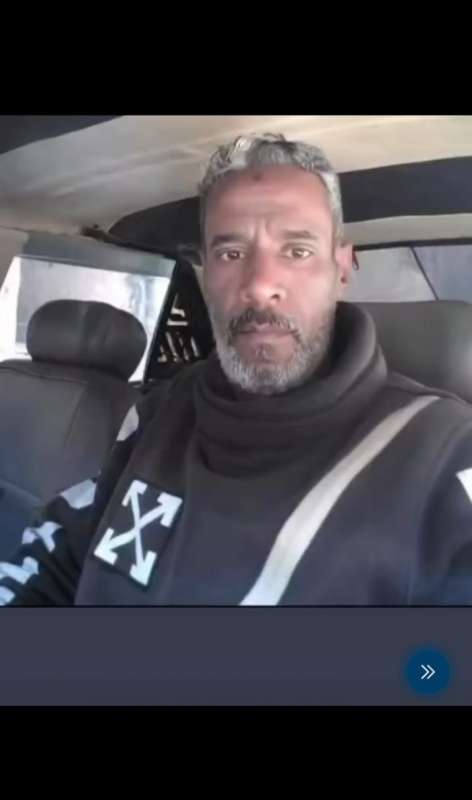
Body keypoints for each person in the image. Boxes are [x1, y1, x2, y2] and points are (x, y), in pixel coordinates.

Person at [2, 131, 472, 606]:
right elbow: (61, 556)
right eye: (231, 253)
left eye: (297, 250)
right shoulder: (161, 411)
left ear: (342, 268)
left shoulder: (448, 454)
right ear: (206, 271)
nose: (260, 285)